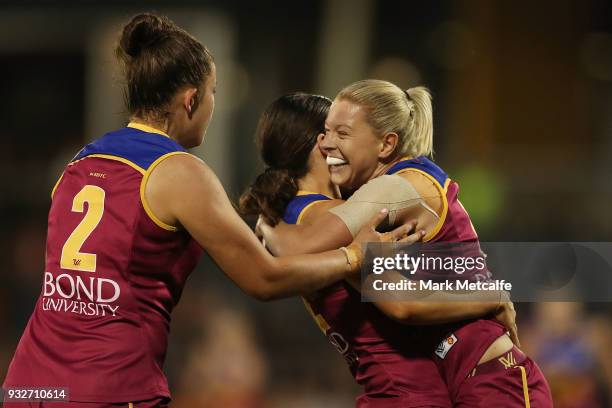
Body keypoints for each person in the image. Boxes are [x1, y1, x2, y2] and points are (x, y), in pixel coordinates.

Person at [1, 15, 412, 408]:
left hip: (30, 381)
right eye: (215, 91)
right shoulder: (182, 173)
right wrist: (361, 256)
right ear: (191, 99)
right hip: (106, 386)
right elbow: (267, 278)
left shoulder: (80, 161)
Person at [256, 81, 553, 407]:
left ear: (386, 144)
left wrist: (267, 227)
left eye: (342, 134)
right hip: (459, 376)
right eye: (325, 133)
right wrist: (490, 296)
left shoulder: (395, 189)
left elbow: (398, 301)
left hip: (491, 375)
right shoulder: (363, 206)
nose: (328, 144)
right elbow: (400, 302)